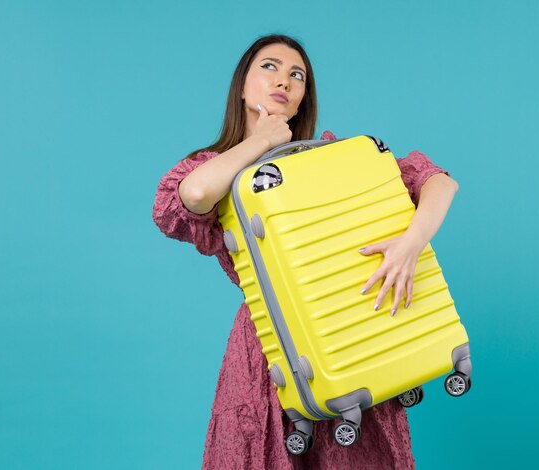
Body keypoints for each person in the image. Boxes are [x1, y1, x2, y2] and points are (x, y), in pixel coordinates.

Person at [152, 34, 459, 470]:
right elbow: (194, 194)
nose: (285, 80)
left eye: (297, 75)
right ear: (242, 85)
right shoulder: (215, 168)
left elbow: (439, 182)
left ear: (302, 100)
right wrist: (261, 141)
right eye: (270, 67)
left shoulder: (332, 156)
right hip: (268, 352)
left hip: (350, 338)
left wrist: (411, 244)